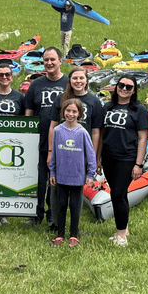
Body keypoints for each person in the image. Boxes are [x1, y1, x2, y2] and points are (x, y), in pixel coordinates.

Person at [47, 66, 104, 232]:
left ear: (86, 80)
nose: (78, 81)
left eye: (81, 78)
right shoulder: (60, 99)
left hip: (81, 153)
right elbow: (52, 127)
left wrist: (93, 156)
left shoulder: (94, 101)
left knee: (76, 193)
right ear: (69, 81)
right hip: (62, 151)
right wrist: (51, 152)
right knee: (56, 189)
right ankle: (57, 223)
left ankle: (74, 227)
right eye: (74, 78)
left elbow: (96, 131)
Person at [96, 74, 148, 246]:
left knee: (117, 194)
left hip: (127, 158)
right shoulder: (107, 107)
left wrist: (139, 164)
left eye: (129, 87)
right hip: (109, 157)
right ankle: (124, 227)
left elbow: (142, 138)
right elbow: (101, 134)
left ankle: (121, 236)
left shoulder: (139, 110)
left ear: (134, 91)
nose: (124, 89)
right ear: (116, 86)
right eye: (121, 85)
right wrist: (97, 159)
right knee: (121, 193)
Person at [25, 47, 68, 224]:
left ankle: (53, 212)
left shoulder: (68, 83)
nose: (49, 63)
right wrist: (27, 133)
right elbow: (29, 111)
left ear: (60, 61)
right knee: (39, 179)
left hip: (63, 140)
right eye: (46, 60)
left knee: (56, 180)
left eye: (52, 59)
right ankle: (36, 214)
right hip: (40, 139)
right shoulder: (36, 84)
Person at [49, 99, 96, 247]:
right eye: (68, 111)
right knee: (61, 205)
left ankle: (74, 235)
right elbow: (54, 154)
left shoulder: (82, 133)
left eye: (74, 111)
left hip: (77, 177)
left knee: (75, 207)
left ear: (79, 114)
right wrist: (52, 172)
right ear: (63, 112)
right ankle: (60, 235)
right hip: (61, 176)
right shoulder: (57, 131)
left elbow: (91, 154)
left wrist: (90, 175)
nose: (70, 114)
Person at [0, 63, 25, 225]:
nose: (4, 77)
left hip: (12, 144)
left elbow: (25, 121)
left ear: (12, 77)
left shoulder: (19, 97)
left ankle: (3, 211)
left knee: (8, 177)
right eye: (0, 75)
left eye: (7, 75)